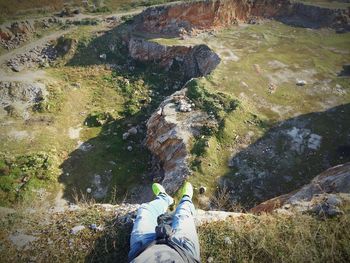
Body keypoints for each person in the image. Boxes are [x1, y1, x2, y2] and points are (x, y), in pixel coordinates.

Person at [128, 182, 200, 263]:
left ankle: (164, 198)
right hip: (184, 252)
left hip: (142, 249)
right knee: (184, 213)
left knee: (144, 209)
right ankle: (186, 198)